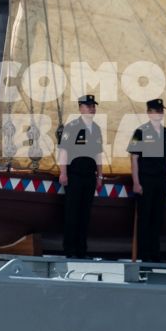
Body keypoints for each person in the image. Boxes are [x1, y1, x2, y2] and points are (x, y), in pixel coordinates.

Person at [56, 94, 103, 258]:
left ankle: (82, 251)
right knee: (72, 214)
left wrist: (100, 176)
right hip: (74, 175)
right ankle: (70, 250)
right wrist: (63, 172)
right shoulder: (72, 127)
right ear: (81, 108)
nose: (92, 109)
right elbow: (64, 150)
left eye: (93, 106)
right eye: (89, 106)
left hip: (90, 177)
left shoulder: (96, 128)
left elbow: (98, 153)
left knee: (85, 215)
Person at [129, 98, 166, 262]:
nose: (159, 113)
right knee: (145, 218)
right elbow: (133, 158)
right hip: (145, 180)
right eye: (156, 110)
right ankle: (144, 254)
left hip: (161, 180)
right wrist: (136, 182)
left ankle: (155, 253)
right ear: (149, 113)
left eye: (161, 110)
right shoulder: (140, 132)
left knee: (158, 218)